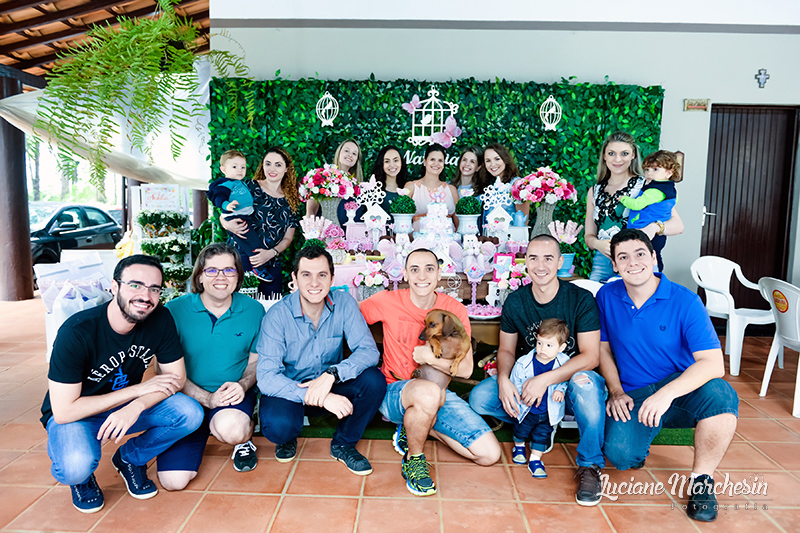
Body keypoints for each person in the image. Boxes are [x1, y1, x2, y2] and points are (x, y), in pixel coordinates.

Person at [40, 255, 203, 513]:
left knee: (189, 413)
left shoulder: (160, 319)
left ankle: (129, 459)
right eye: (135, 285)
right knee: (75, 466)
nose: (145, 295)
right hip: (77, 414)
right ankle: (82, 480)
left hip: (126, 404)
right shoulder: (77, 331)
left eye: (154, 289)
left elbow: (177, 378)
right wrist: (137, 391)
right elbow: (63, 411)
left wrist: (135, 406)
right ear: (114, 287)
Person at [597, 229, 738, 522]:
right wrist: (615, 390)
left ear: (654, 257)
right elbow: (603, 349)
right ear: (614, 265)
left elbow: (713, 364)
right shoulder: (607, 295)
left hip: (680, 390)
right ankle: (644, 435)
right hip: (634, 393)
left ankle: (702, 481)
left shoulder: (685, 301)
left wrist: (666, 393)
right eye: (623, 257)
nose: (632, 262)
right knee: (622, 457)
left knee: (721, 396)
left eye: (640, 254)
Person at [468, 234, 607, 506]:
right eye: (533, 258)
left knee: (587, 388)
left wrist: (545, 380)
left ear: (560, 263)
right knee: (480, 398)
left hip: (569, 381)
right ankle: (541, 421)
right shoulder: (516, 301)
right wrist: (504, 380)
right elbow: (507, 350)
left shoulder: (580, 300)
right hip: (528, 381)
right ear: (525, 263)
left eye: (548, 258)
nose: (540, 265)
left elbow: (591, 356)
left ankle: (590, 466)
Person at [360, 248, 501, 497]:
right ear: (404, 274)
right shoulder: (386, 301)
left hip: (438, 394)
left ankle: (413, 425)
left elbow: (467, 369)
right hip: (394, 390)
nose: (421, 275)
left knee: (489, 455)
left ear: (439, 275)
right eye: (414, 269)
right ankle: (414, 460)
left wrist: (429, 358)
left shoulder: (453, 310)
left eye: (429, 269)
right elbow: (348, 315)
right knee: (427, 392)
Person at [256, 245, 386, 476]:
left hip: (330, 382)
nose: (314, 283)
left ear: (332, 278)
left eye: (322, 275)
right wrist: (320, 397)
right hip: (292, 391)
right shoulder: (277, 316)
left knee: (373, 380)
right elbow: (266, 378)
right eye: (306, 275)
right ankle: (289, 437)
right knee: (278, 428)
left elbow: (368, 351)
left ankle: (343, 444)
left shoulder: (344, 303)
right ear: (294, 278)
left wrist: (332, 375)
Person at [157, 244, 265, 490]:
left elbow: (256, 360)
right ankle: (201, 426)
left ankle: (243, 437)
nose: (220, 277)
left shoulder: (254, 310)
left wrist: (242, 384)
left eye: (229, 270)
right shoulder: (174, 311)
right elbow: (162, 370)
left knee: (231, 430)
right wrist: (206, 399)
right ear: (200, 276)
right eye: (212, 270)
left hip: (231, 396)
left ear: (238, 277)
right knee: (173, 482)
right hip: (186, 397)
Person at [584, 132, 683, 283]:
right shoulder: (595, 190)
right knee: (596, 302)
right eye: (611, 153)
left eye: (624, 153)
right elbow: (589, 236)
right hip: (603, 261)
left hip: (636, 262)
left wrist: (655, 227)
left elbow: (678, 225)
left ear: (633, 156)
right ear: (604, 156)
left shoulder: (647, 185)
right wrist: (599, 244)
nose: (618, 159)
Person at [219, 147, 300, 296]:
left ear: (286, 169)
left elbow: (288, 237)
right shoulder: (248, 187)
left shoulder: (292, 199)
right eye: (268, 163)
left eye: (278, 164)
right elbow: (226, 212)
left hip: (271, 262)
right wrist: (225, 223)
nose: (272, 168)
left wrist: (271, 253)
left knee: (269, 308)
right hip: (241, 257)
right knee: (239, 306)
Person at [510, 318, 570, 479]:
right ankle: (519, 446)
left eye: (549, 345)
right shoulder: (523, 363)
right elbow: (515, 382)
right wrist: (517, 397)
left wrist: (560, 390)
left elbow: (564, 379)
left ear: (562, 348)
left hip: (548, 411)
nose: (543, 349)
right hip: (527, 408)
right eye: (539, 343)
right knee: (521, 429)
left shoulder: (564, 363)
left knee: (542, 435)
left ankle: (535, 460)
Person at [207, 150, 271, 281]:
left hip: (244, 216)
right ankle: (258, 268)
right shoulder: (225, 184)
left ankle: (244, 271)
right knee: (252, 241)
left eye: (243, 167)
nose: (240, 170)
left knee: (245, 243)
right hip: (235, 217)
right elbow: (218, 196)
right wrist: (226, 205)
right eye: (234, 167)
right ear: (223, 169)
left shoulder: (241, 183)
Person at [619, 150, 682, 272]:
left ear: (669, 173)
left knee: (643, 256)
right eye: (647, 169)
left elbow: (636, 205)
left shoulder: (653, 191)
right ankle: (656, 273)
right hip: (659, 235)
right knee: (654, 254)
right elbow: (673, 203)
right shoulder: (671, 189)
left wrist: (624, 199)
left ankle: (653, 275)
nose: (649, 173)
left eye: (655, 169)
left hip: (644, 228)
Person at [307, 139, 365, 225]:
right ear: (339, 152)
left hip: (350, 236)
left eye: (354, 153)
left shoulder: (358, 186)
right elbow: (311, 212)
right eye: (346, 151)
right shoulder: (323, 177)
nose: (350, 155)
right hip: (325, 234)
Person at [407, 144, 459, 232]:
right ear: (424, 161)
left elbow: (459, 224)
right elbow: (403, 220)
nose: (436, 163)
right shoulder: (412, 187)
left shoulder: (451, 190)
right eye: (432, 159)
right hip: (419, 242)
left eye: (440, 160)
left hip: (448, 242)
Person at [477, 143, 528, 221]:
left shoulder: (517, 184)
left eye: (497, 159)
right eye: (488, 161)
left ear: (505, 159)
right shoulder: (490, 185)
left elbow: (523, 221)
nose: (492, 164)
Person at [370, 144, 410, 220]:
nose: (392, 165)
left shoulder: (407, 188)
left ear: (401, 162)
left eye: (395, 160)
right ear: (382, 164)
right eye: (387, 161)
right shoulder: (375, 191)